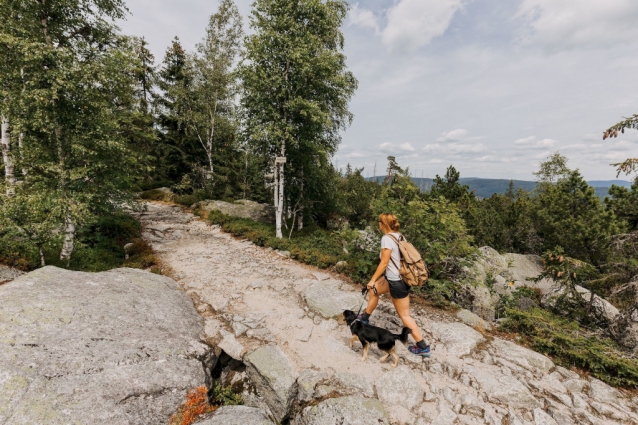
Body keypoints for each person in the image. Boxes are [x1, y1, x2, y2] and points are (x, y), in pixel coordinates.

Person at [359, 213, 431, 356]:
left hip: (397, 282)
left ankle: (422, 347)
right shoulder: (399, 236)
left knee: (405, 316)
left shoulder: (386, 239)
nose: (378, 223)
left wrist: (372, 279)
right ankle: (365, 318)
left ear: (384, 224)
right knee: (374, 290)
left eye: (379, 221)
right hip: (398, 278)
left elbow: (384, 262)